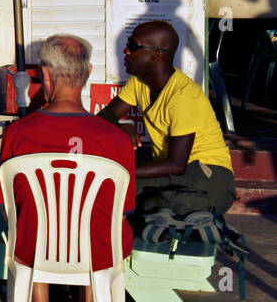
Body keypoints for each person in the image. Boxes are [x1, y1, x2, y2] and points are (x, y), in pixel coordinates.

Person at [0, 34, 135, 302]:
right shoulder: (115, 139)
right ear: (86, 75)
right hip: (98, 253)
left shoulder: (17, 134)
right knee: (104, 223)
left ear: (44, 75)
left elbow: (5, 208)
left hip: (34, 251)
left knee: (30, 219)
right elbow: (124, 210)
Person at [98, 21, 236, 219]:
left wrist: (122, 171)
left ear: (156, 54)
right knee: (117, 192)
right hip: (177, 174)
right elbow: (105, 116)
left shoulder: (184, 96)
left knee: (127, 193)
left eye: (134, 46)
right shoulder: (139, 82)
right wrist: (121, 125)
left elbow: (176, 164)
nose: (126, 50)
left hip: (208, 176)